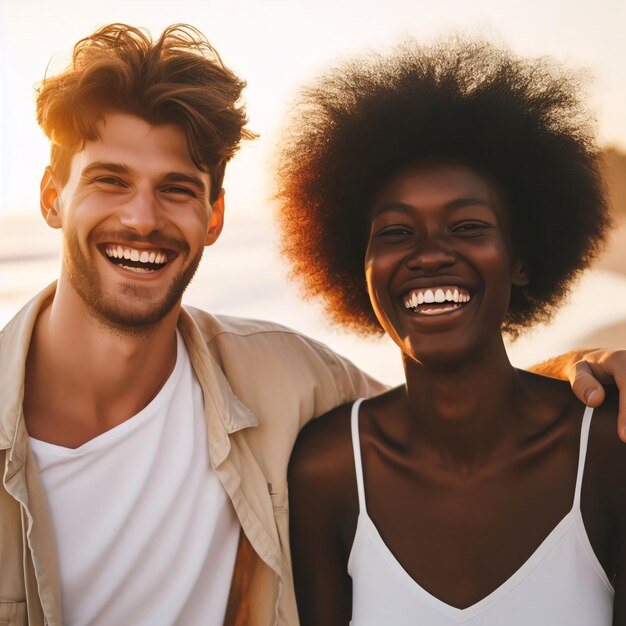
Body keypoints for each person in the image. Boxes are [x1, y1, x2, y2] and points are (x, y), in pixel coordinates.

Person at [0, 23, 622, 626]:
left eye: (177, 189)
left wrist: (579, 373)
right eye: (111, 181)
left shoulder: (280, 378)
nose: (142, 219)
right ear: (52, 195)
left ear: (214, 216)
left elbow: (455, 410)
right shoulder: (314, 428)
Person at [282, 39, 625, 624]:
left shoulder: (606, 451)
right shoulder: (328, 469)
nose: (428, 255)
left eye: (466, 225)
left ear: (520, 260)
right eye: (395, 232)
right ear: (355, 266)